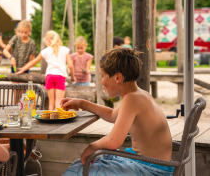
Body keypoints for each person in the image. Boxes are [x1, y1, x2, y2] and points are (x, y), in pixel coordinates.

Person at [61, 48, 174, 176]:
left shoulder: (132, 99)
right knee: (82, 164)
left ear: (118, 78)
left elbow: (114, 141)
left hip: (149, 169)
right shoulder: (140, 95)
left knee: (78, 170)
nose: (101, 81)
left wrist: (91, 147)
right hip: (154, 165)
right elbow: (112, 115)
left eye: (102, 76)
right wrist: (82, 103)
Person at [16, 30, 76, 110]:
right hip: (60, 77)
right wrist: (72, 76)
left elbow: (33, 62)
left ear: (48, 40)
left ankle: (50, 120)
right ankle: (58, 121)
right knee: (58, 102)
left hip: (49, 76)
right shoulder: (65, 50)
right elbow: (70, 66)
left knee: (51, 102)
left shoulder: (45, 51)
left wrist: (22, 70)